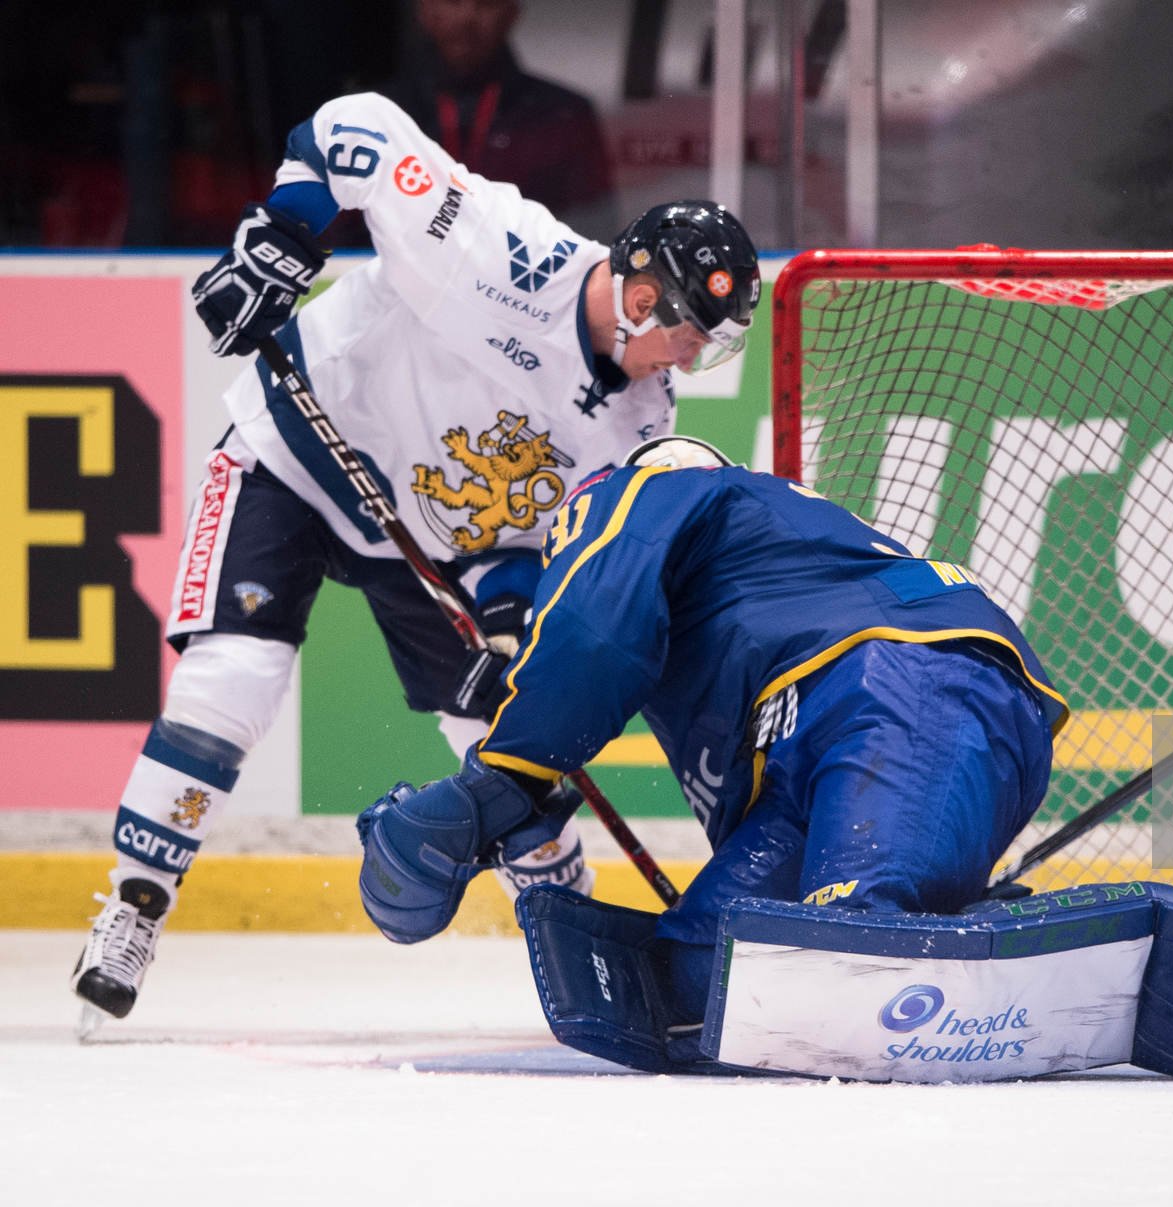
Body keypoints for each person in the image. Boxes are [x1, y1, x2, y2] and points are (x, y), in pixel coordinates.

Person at [69, 88, 760, 1026]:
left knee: (506, 746)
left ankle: (562, 928)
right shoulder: (497, 250)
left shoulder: (639, 420)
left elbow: (528, 539)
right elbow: (349, 128)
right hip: (300, 452)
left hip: (432, 544)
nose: (683, 362)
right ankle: (132, 906)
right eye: (687, 336)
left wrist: (512, 619)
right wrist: (281, 234)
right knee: (232, 677)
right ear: (641, 298)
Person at [353, 441, 1173, 1082]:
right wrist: (498, 812)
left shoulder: (646, 494)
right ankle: (953, 918)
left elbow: (591, 630)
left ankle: (1127, 940)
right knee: (689, 991)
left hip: (893, 688)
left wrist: (497, 777)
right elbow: (598, 675)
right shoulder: (755, 576)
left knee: (851, 937)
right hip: (846, 739)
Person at [382, 0, 616, 239]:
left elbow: (593, 234)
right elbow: (347, 233)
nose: (467, 18)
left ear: (512, 14)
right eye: (453, 1)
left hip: (531, 269)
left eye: (487, 4)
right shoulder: (381, 113)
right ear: (425, 10)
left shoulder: (564, 115)